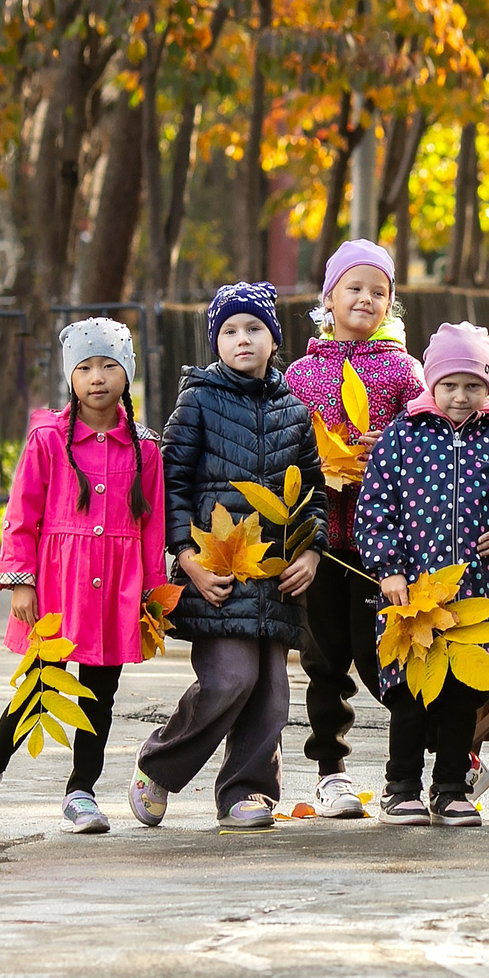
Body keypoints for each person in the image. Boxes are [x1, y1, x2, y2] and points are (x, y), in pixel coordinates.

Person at [0, 318, 167, 835]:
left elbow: (153, 525)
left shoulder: (145, 450)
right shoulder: (48, 438)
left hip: (117, 588)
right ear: (70, 377)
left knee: (99, 693)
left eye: (110, 365)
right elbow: (21, 513)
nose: (98, 377)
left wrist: (152, 596)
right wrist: (20, 580)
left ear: (128, 375)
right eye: (86, 367)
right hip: (57, 583)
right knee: (36, 687)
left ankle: (81, 791)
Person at [130, 285, 323, 833]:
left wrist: (310, 551)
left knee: (272, 693)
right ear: (216, 341)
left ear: (274, 340)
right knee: (229, 678)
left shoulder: (293, 409)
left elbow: (313, 490)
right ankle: (158, 764)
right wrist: (187, 559)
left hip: (277, 576)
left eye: (254, 329)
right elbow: (173, 483)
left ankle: (247, 793)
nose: (243, 339)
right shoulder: (198, 398)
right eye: (230, 330)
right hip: (217, 570)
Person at [353, 323, 489, 826]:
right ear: (430, 384)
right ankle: (402, 788)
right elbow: (373, 511)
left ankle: (452, 787)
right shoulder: (400, 438)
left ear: (488, 386)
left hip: (470, 598)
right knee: (412, 691)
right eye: (450, 385)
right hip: (411, 594)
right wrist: (389, 569)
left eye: (473, 385)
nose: (461, 396)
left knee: (461, 692)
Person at [285, 240, 426, 819]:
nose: (366, 299)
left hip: (381, 544)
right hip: (320, 542)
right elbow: (287, 443)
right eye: (355, 288)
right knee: (323, 659)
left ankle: (424, 757)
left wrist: (391, 443)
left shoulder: (402, 370)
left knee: (384, 658)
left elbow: (428, 429)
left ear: (391, 303)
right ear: (329, 297)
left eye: (379, 291)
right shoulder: (300, 373)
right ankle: (330, 771)